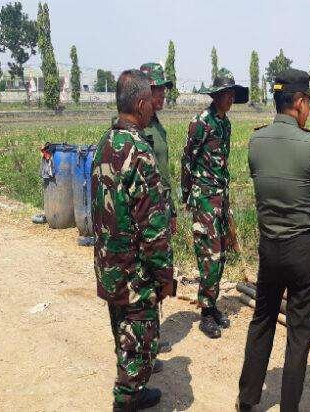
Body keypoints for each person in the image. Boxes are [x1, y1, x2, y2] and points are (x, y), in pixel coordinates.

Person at [238, 68, 310, 411]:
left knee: (263, 319)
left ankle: (248, 399)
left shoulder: (256, 141)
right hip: (301, 248)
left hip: (270, 247)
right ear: (299, 102)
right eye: (308, 104)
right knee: (299, 330)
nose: (309, 110)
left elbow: (259, 178)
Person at [91, 69, 175, 411]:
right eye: (150, 102)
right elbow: (153, 229)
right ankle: (125, 400)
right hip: (134, 273)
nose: (153, 107)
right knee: (140, 344)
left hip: (109, 265)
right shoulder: (139, 151)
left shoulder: (105, 143)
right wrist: (164, 275)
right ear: (141, 105)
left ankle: (135, 393)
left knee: (122, 334)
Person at [181, 68, 248, 339]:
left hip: (221, 197)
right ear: (216, 96)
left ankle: (212, 305)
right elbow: (187, 160)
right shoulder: (201, 122)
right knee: (209, 256)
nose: (230, 99)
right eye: (226, 94)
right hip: (204, 198)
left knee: (221, 254)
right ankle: (206, 313)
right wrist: (187, 195)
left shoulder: (225, 124)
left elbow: (223, 164)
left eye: (232, 94)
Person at [139, 62, 177, 357]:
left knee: (160, 271)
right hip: (146, 211)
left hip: (161, 208)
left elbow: (164, 173)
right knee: (146, 273)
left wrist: (172, 210)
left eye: (164, 90)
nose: (162, 95)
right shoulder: (137, 128)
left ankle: (152, 335)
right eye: (157, 90)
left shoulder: (156, 125)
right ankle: (143, 343)